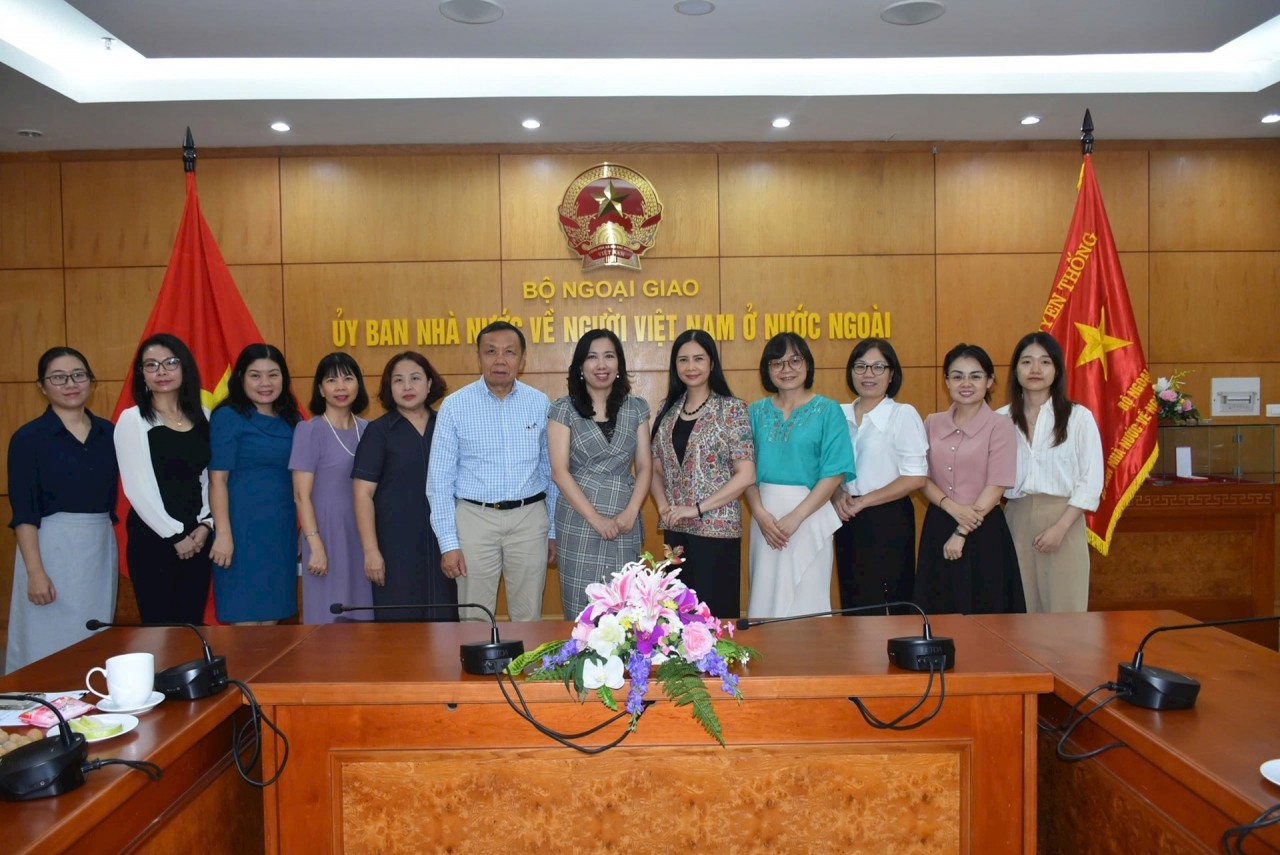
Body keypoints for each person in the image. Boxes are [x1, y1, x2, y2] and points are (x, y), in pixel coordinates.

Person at [428, 321, 558, 622]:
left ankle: (527, 670)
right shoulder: (455, 406)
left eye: (509, 352)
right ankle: (477, 670)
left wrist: (551, 531)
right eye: (491, 351)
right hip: (474, 519)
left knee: (529, 616)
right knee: (474, 616)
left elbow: (551, 473)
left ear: (522, 359)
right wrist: (449, 544)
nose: (500, 360)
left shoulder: (539, 403)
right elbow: (439, 483)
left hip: (529, 518)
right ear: (479, 357)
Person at [5, 347, 118, 674]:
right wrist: (35, 572)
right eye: (58, 377)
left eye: (78, 375)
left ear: (91, 382)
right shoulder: (28, 438)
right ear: (42, 386)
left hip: (98, 546)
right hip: (49, 548)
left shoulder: (109, 433)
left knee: (93, 637)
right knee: (45, 639)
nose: (70, 383)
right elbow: (24, 512)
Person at [744, 333, 854, 618]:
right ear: (767, 370)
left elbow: (834, 472)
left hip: (810, 515)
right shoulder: (755, 412)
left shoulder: (829, 410)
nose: (786, 369)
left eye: (795, 360)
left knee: (807, 601)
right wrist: (759, 513)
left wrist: (796, 516)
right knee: (765, 598)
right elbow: (745, 471)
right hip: (765, 518)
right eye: (777, 363)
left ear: (808, 364)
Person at [650, 329, 755, 619]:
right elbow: (654, 469)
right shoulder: (667, 411)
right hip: (676, 534)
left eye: (699, 358)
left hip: (717, 533)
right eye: (683, 360)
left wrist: (695, 510)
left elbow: (745, 475)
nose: (691, 367)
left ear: (711, 363)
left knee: (715, 619)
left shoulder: (731, 409)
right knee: (676, 617)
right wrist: (663, 507)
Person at [915, 343, 1025, 614]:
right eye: (957, 375)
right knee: (938, 610)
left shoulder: (1001, 425)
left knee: (985, 611)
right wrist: (951, 508)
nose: (966, 383)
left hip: (983, 527)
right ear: (946, 381)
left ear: (989, 381)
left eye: (975, 376)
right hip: (939, 524)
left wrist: (962, 531)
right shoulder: (931, 422)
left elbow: (997, 484)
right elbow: (920, 477)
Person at [548, 330, 651, 620]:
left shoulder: (636, 407)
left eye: (609, 356)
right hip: (580, 521)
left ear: (619, 365)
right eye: (592, 357)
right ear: (580, 366)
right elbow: (559, 472)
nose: (601, 364)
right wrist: (596, 519)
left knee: (626, 609)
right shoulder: (563, 409)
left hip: (624, 520)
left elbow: (644, 466)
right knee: (583, 610)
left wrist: (632, 511)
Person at [998, 332, 1104, 613]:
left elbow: (1091, 480)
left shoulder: (1078, 417)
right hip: (1014, 518)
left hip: (1063, 519)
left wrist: (1060, 528)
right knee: (1020, 614)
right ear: (1015, 370)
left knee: (1065, 615)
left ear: (1056, 370)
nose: (1035, 369)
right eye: (1026, 362)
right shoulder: (999, 419)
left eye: (1045, 362)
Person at [114, 333, 214, 625]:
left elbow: (208, 476)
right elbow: (136, 487)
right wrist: (174, 535)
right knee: (160, 626)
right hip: (153, 539)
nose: (161, 372)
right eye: (151, 365)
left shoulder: (203, 415)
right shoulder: (133, 419)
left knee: (191, 624)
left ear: (184, 368)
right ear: (142, 375)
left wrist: (206, 524)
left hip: (197, 536)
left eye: (170, 363)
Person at [352, 351, 457, 622]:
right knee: (399, 632)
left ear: (430, 383)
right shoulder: (379, 431)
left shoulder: (446, 425)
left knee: (446, 628)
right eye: (398, 380)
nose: (407, 387)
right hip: (395, 546)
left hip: (444, 544)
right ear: (389, 387)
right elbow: (363, 494)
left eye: (415, 378)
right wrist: (371, 551)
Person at [832, 338, 928, 612]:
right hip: (846, 516)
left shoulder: (902, 414)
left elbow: (916, 477)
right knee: (854, 600)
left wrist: (863, 501)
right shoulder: (839, 414)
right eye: (860, 367)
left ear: (892, 374)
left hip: (888, 517)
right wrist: (838, 494)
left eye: (877, 367)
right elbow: (828, 468)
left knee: (889, 602)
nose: (868, 374)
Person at [208, 343, 301, 625]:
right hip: (240, 529)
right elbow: (217, 480)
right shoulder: (228, 416)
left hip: (279, 529)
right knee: (244, 622)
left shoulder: (291, 419)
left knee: (271, 622)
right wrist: (223, 533)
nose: (265, 383)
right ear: (241, 378)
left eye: (273, 375)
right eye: (255, 375)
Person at [290, 352, 373, 623]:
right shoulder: (309, 430)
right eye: (331, 380)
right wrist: (315, 546)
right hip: (326, 533)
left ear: (358, 384)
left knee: (363, 617)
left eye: (348, 379)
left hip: (364, 533)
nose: (340, 387)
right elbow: (301, 496)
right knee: (328, 619)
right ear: (320, 389)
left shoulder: (370, 430)